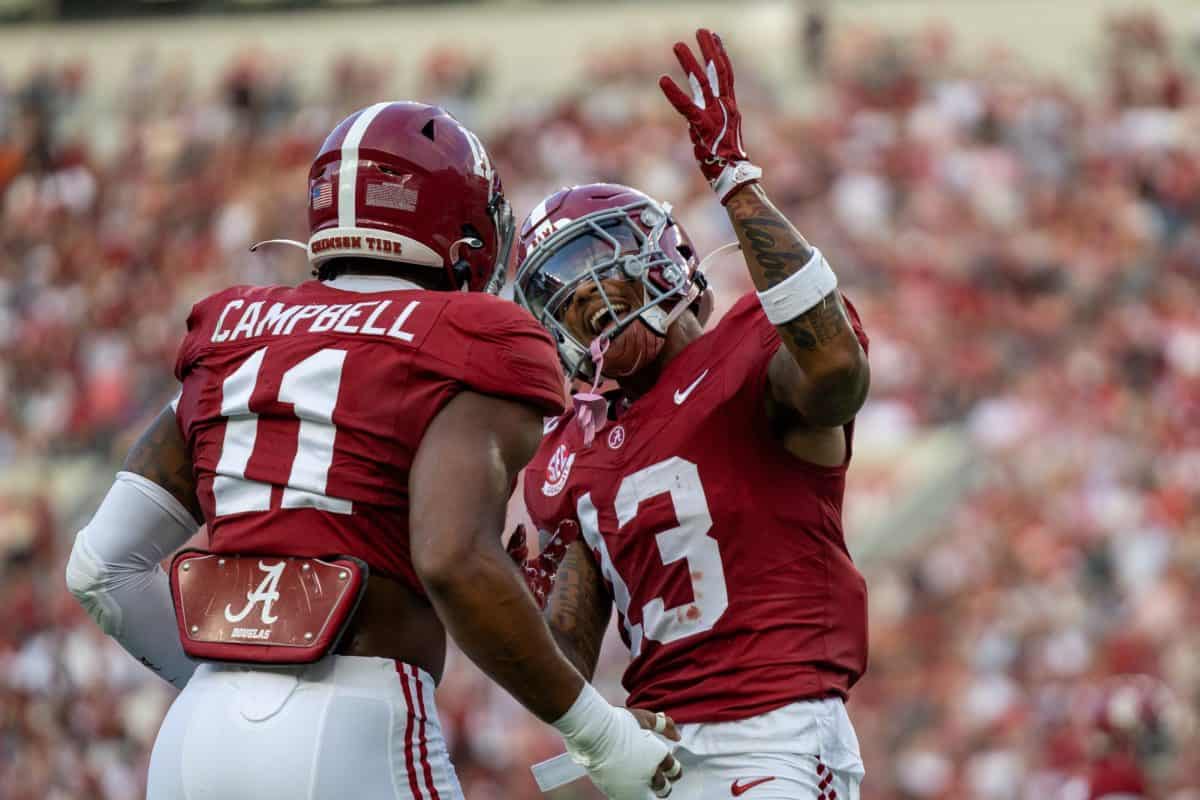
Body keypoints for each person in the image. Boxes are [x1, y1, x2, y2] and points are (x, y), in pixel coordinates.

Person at [65, 101, 681, 800]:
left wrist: (236, 687)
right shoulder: (475, 333)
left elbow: (99, 568)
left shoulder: (233, 330)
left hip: (194, 740)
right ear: (465, 228)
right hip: (351, 720)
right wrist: (600, 735)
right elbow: (451, 558)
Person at [511, 30, 871, 800]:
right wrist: (521, 597)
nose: (589, 303)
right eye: (566, 298)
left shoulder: (747, 353)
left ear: (662, 258)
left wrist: (738, 183)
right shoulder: (570, 448)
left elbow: (836, 374)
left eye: (597, 271)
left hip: (774, 734)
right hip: (657, 756)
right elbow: (563, 664)